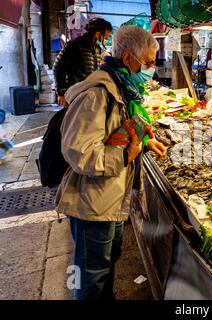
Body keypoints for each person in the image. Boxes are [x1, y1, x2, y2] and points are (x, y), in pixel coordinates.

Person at [55, 25, 167, 300]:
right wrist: (125, 156)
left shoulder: (122, 86)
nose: (152, 69)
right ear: (129, 59)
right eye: (149, 63)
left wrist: (144, 144)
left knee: (105, 264)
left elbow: (118, 130)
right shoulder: (97, 93)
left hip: (112, 197)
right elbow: (79, 151)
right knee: (91, 277)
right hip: (92, 203)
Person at [53, 17, 113, 107]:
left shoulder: (97, 48)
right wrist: (61, 92)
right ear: (97, 34)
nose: (105, 40)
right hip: (75, 95)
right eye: (106, 37)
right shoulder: (74, 45)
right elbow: (58, 67)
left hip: (90, 95)